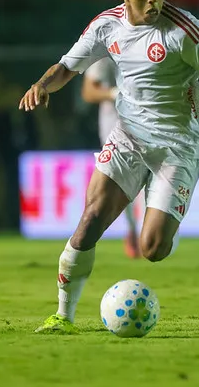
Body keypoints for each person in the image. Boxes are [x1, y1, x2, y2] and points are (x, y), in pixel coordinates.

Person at [19, 0, 199, 334]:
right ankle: (63, 315)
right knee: (91, 218)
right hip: (128, 135)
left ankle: (163, 218)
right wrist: (42, 85)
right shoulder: (106, 27)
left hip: (180, 142)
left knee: (152, 249)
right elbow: (67, 67)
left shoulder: (184, 31)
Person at [81, 57, 141, 258]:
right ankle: (133, 230)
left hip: (150, 124)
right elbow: (88, 91)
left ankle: (155, 232)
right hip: (115, 128)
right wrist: (115, 93)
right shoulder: (107, 52)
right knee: (120, 185)